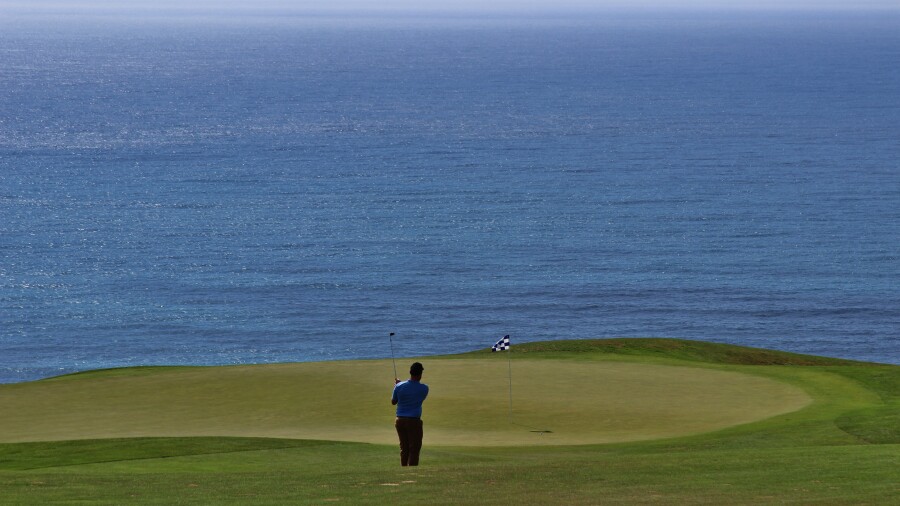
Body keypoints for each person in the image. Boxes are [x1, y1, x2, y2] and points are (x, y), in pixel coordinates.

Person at [391, 362, 429, 466]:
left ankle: (404, 471)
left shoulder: (399, 386)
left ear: (410, 372)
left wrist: (397, 386)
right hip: (414, 421)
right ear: (420, 374)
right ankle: (412, 472)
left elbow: (394, 402)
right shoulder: (424, 388)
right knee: (414, 449)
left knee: (404, 448)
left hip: (400, 420)